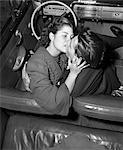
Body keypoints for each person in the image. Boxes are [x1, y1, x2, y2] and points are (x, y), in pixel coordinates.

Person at [22, 16, 121, 116]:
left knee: (89, 41)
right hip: (65, 89)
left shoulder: (64, 51)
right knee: (90, 45)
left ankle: (120, 40)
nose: (69, 41)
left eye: (71, 36)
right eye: (64, 36)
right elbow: (54, 103)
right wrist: (73, 74)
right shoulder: (37, 64)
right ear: (52, 36)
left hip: (85, 77)